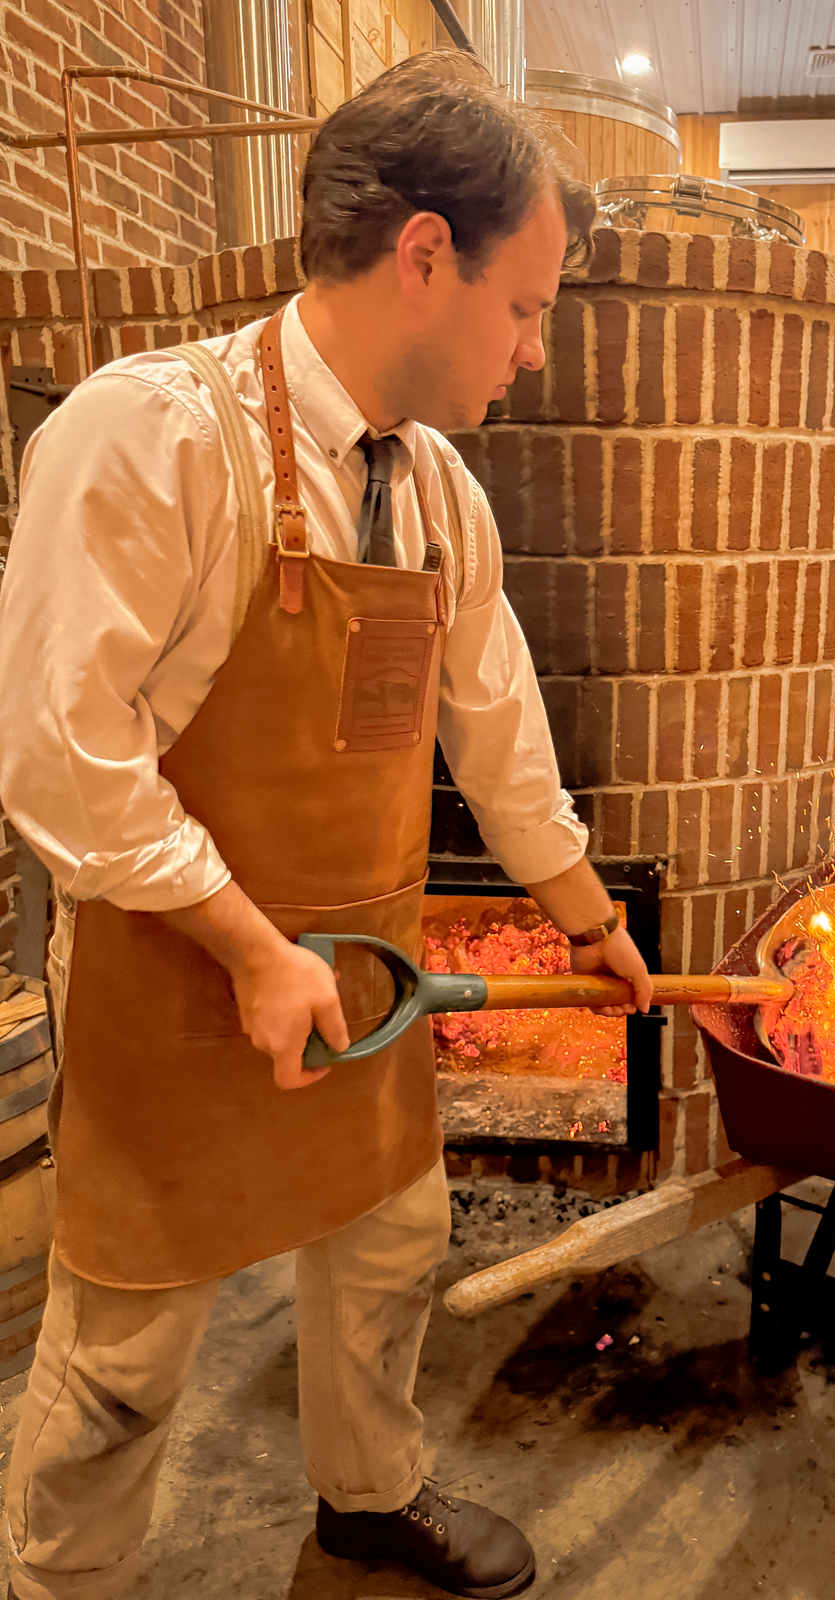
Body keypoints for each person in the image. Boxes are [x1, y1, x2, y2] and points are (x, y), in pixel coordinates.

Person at [0, 51, 653, 1600]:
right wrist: (246, 946)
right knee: (125, 1351)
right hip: (171, 977)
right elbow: (62, 761)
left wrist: (590, 921)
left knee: (387, 1242)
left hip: (363, 977)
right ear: (424, 257)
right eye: (525, 307)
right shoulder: (151, 437)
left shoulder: (437, 495)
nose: (536, 351)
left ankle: (368, 1498)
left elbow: (501, 737)